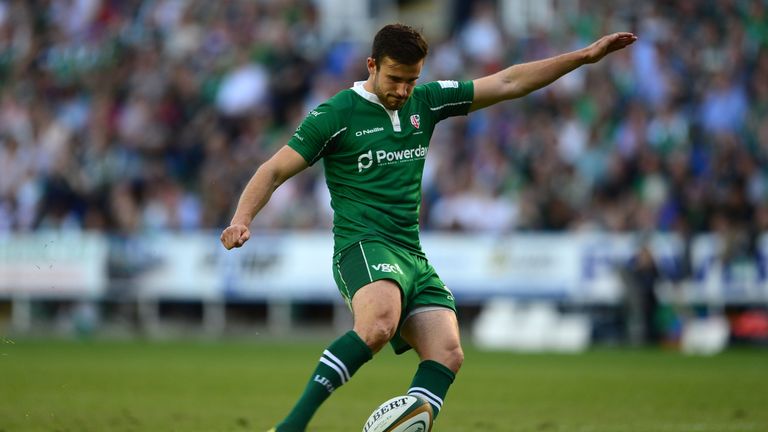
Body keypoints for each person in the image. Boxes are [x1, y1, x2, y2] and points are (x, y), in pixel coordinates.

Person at [220, 23, 636, 431]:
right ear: (371, 65)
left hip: (411, 255)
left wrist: (584, 56)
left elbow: (509, 82)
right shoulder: (336, 114)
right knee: (378, 323)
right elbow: (273, 170)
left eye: (412, 80)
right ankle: (290, 427)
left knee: (447, 352)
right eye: (395, 79)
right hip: (363, 246)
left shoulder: (428, 101)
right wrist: (242, 219)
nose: (403, 90)